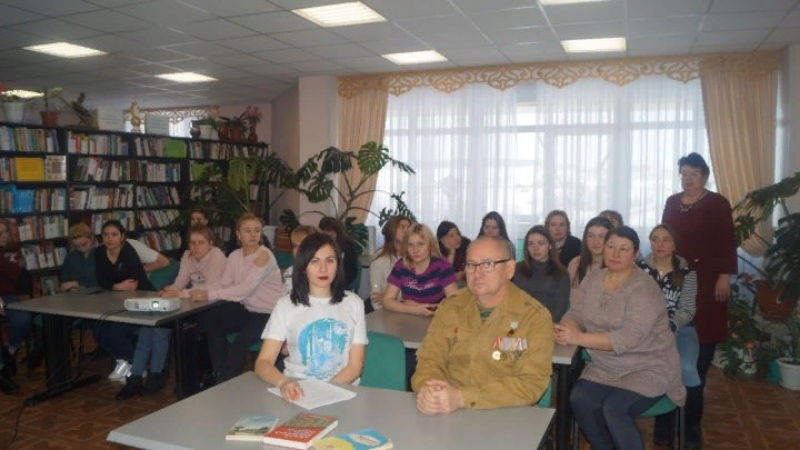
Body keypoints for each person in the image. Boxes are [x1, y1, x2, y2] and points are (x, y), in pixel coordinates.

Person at [556, 226, 685, 450]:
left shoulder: (644, 287)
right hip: (606, 366)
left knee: (614, 409)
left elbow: (627, 338)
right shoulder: (594, 278)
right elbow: (576, 311)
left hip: (648, 366)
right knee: (579, 400)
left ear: (635, 253)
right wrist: (567, 327)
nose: (615, 254)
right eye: (611, 246)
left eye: (624, 249)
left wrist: (578, 338)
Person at [412, 236, 553, 412]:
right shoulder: (450, 307)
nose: (477, 273)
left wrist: (462, 397)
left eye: (488, 264)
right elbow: (430, 359)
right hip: (449, 410)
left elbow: (530, 383)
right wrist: (431, 390)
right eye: (471, 265)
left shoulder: (534, 317)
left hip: (505, 413)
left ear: (509, 269)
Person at [661, 152, 737, 449]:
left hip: (708, 284)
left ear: (704, 176)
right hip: (676, 283)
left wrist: (724, 276)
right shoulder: (672, 202)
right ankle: (665, 421)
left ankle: (692, 424)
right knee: (668, 356)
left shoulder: (718, 203)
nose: (688, 178)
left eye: (693, 173)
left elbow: (727, 241)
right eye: (683, 173)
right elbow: (664, 240)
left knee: (699, 359)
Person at [256, 233, 367, 399]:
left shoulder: (354, 303)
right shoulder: (286, 305)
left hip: (341, 390)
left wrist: (323, 391)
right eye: (314, 261)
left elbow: (355, 366)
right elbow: (263, 362)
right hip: (298, 390)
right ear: (303, 266)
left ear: (338, 264)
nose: (323, 269)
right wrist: (283, 382)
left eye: (330, 261)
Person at [192, 213, 283, 383]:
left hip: (269, 313)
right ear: (238, 234)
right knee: (210, 321)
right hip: (248, 308)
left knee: (240, 343)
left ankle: (223, 382)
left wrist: (209, 294)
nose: (253, 234)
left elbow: (244, 290)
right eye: (247, 231)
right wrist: (193, 293)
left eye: (257, 230)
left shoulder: (265, 255)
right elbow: (224, 285)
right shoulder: (235, 256)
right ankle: (221, 374)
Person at [638, 224, 700, 446]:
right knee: (656, 366)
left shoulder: (687, 273)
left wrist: (671, 326)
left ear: (674, 244)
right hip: (646, 331)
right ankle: (663, 424)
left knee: (686, 368)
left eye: (666, 239)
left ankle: (691, 426)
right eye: (655, 239)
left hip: (681, 330)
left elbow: (688, 309)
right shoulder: (639, 269)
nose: (660, 244)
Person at [93, 220, 158, 389]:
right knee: (98, 328)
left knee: (114, 330)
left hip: (142, 300)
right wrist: (117, 286)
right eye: (106, 235)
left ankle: (137, 366)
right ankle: (123, 360)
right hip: (117, 300)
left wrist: (116, 286)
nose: (110, 238)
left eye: (114, 234)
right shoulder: (99, 253)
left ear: (122, 236)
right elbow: (101, 280)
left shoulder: (128, 251)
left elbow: (133, 284)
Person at [379, 223, 458, 316]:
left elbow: (455, 304)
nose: (415, 250)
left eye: (420, 244)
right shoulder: (401, 266)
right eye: (410, 245)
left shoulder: (443, 267)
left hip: (437, 320)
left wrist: (420, 307)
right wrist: (415, 309)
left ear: (430, 246)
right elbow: (386, 301)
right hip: (408, 320)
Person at [0, 219, 33, 394]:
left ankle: (10, 351)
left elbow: (18, 273)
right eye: (0, 233)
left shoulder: (13, 250)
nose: (4, 235)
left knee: (23, 318)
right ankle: (2, 371)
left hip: (9, 295)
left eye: (5, 231)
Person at [513, 225, 570, 322]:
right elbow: (511, 300)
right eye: (530, 244)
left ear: (550, 245)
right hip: (517, 321)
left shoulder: (561, 273)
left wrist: (539, 324)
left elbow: (559, 309)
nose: (535, 248)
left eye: (541, 243)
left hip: (546, 323)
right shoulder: (517, 269)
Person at [369, 216, 411, 312]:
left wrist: (390, 299)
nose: (406, 231)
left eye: (409, 228)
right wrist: (396, 302)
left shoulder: (415, 257)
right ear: (392, 230)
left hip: (413, 311)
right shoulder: (379, 260)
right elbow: (376, 299)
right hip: (387, 313)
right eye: (402, 227)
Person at [567, 216, 613, 287]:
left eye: (601, 236)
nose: (596, 241)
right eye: (591, 236)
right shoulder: (575, 264)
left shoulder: (616, 265)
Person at [319, 217, 360, 288]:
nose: (327, 239)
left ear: (338, 234)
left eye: (331, 236)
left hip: (340, 284)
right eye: (324, 236)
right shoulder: (317, 246)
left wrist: (337, 285)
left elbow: (351, 272)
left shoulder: (348, 247)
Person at [281, 225, 320, 296]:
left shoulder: (322, 272)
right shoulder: (290, 272)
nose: (298, 250)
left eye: (303, 246)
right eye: (295, 246)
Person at [60, 223, 98, 291]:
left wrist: (78, 284)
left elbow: (105, 280)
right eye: (77, 246)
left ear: (91, 239)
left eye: (84, 244)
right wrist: (65, 286)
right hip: (76, 294)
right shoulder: (70, 257)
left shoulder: (101, 254)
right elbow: (64, 280)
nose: (81, 249)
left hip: (99, 293)